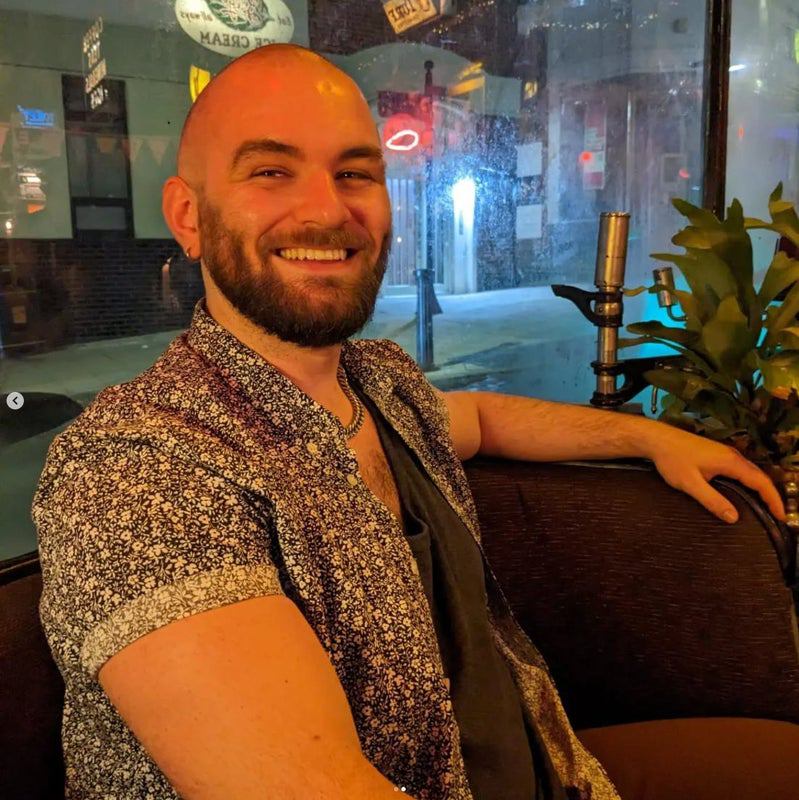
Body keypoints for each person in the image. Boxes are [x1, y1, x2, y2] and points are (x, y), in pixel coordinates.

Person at [32, 44, 798, 800]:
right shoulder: (138, 471)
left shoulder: (379, 384)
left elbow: (480, 419)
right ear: (188, 216)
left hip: (554, 764)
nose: (327, 211)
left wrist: (650, 436)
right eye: (270, 171)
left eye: (354, 173)